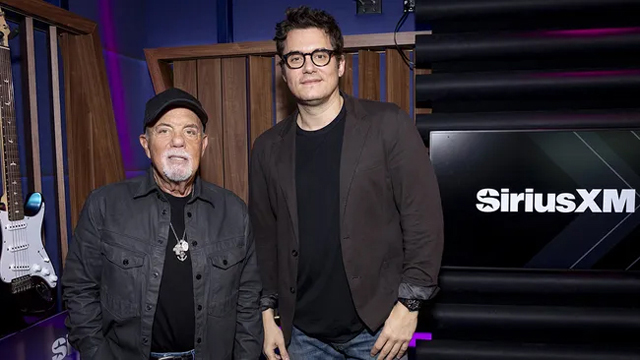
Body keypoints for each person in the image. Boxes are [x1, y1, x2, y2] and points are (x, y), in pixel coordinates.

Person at [249, 6, 444, 360]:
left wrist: (409, 306)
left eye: (319, 55)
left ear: (340, 64)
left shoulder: (389, 125)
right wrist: (267, 316)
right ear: (283, 72)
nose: (308, 66)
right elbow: (265, 239)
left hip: (379, 330)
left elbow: (424, 221)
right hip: (301, 336)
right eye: (295, 58)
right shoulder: (266, 148)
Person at [62, 88, 262, 360]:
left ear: (203, 145)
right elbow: (79, 291)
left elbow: (248, 302)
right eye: (164, 130)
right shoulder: (105, 206)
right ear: (145, 144)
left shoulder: (234, 212)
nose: (178, 141)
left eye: (190, 131)